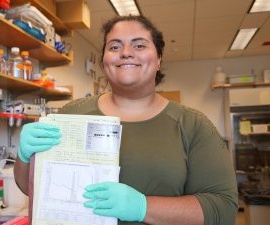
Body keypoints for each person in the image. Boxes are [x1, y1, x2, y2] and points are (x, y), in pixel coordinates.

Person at [14, 15, 238, 225]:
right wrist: (24, 157)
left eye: (139, 45)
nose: (126, 53)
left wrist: (143, 206)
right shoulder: (70, 116)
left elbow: (223, 208)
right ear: (104, 61)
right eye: (114, 46)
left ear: (158, 58)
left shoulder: (192, 125)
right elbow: (30, 188)